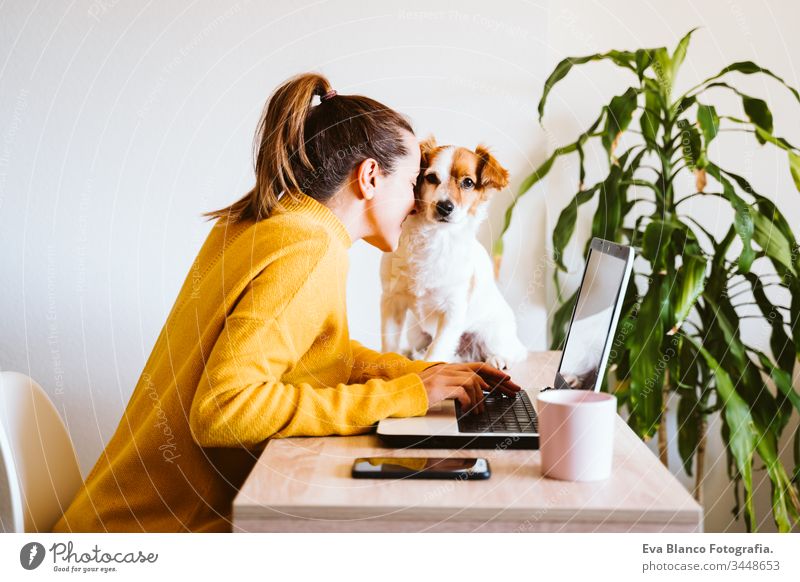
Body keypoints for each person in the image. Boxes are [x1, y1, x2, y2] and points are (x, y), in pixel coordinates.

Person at [51, 72, 521, 533]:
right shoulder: (309, 249)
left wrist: (419, 375)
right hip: (158, 538)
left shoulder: (273, 222)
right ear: (370, 177)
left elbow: (320, 354)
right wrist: (404, 396)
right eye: (416, 181)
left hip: (109, 524)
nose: (421, 203)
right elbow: (224, 412)